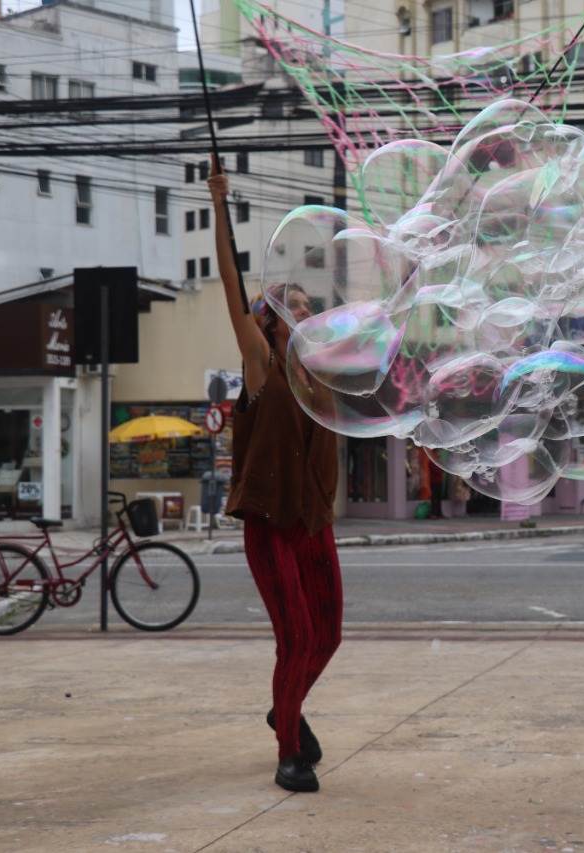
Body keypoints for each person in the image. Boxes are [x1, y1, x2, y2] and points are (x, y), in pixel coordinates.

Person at [209, 157, 341, 794]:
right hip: (270, 522)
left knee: (330, 635)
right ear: (269, 321)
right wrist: (217, 202)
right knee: (296, 636)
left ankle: (282, 708)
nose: (303, 308)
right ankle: (290, 752)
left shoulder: (321, 375)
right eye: (290, 303)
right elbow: (233, 292)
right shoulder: (262, 367)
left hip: (313, 521)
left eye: (308, 303)